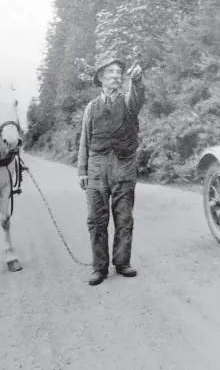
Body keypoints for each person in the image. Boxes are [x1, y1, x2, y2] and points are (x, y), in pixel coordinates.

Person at [77, 53, 146, 286]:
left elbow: (138, 100)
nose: (116, 76)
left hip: (124, 166)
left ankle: (122, 262)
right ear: (100, 77)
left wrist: (137, 81)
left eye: (119, 73)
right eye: (110, 72)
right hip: (97, 168)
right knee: (96, 219)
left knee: (124, 218)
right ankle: (99, 267)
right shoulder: (91, 107)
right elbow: (84, 141)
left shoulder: (128, 100)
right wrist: (82, 170)